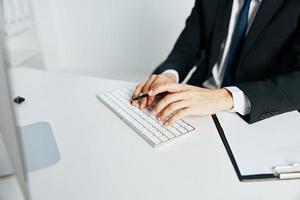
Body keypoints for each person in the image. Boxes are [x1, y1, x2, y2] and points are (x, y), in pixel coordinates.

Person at [131, 0, 300, 126]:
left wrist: (225, 97)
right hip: (197, 102)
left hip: (257, 113)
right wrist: (168, 75)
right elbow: (186, 49)